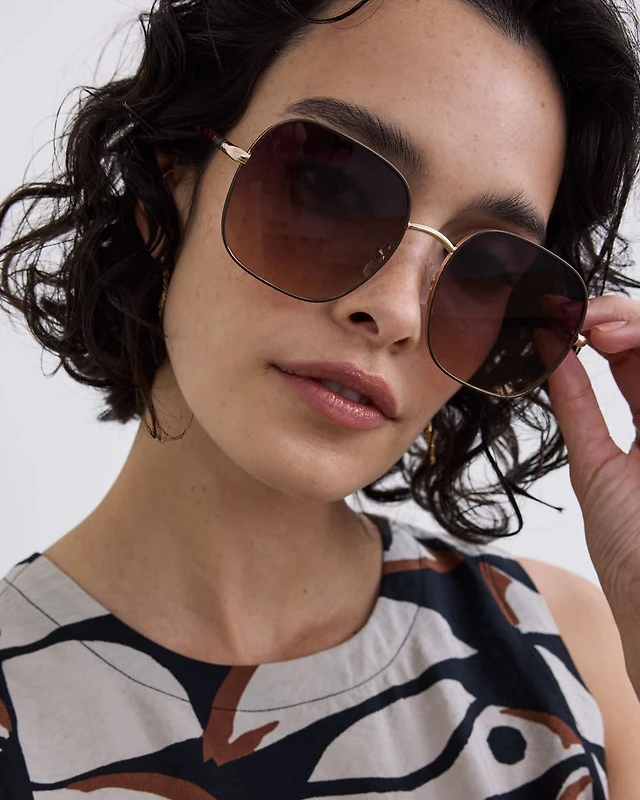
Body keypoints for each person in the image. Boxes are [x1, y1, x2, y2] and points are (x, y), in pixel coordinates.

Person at [2, 0, 640, 795]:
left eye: (487, 269)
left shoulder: (579, 658)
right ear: (168, 187)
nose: (398, 312)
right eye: (328, 189)